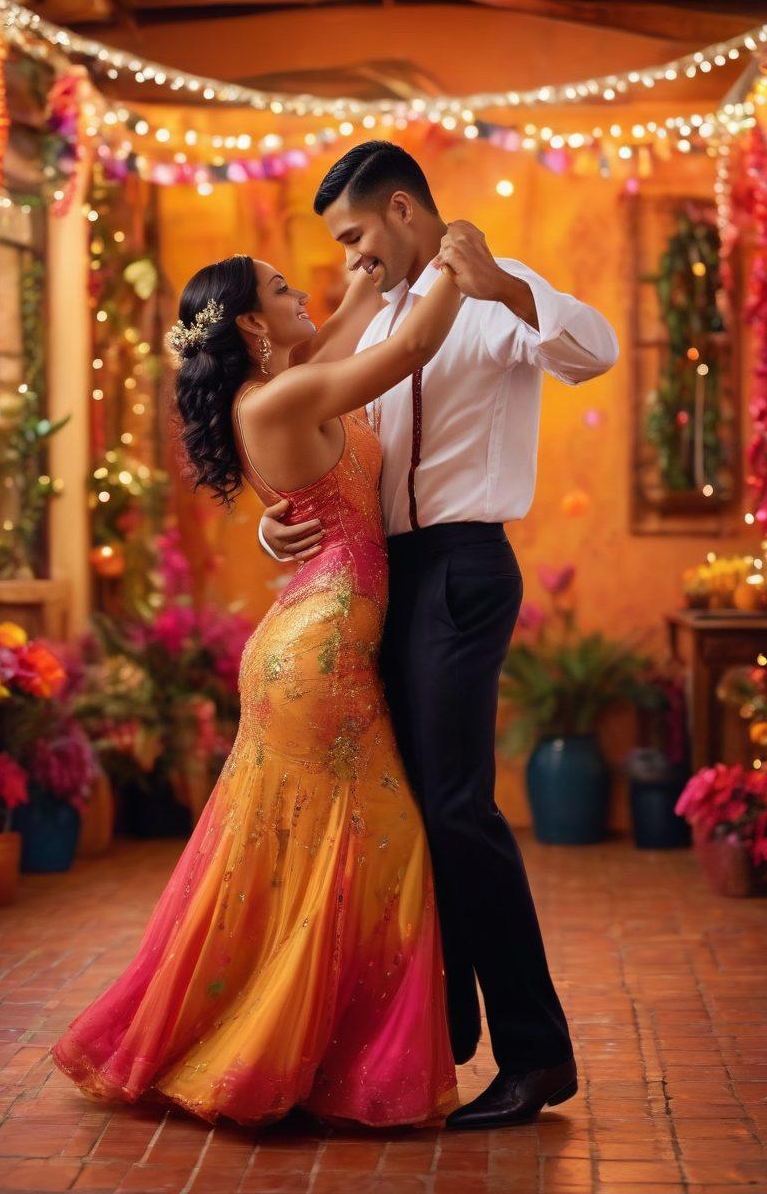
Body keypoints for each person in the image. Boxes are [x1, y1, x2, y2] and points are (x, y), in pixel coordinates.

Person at [51, 250, 466, 1127]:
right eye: (281, 290)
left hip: (316, 638)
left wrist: (363, 280)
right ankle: (298, 1056)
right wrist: (456, 262)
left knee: (303, 852)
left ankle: (293, 1048)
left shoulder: (284, 386)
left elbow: (347, 330)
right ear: (248, 325)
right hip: (320, 654)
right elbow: (406, 350)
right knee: (380, 846)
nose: (299, 293)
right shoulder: (279, 397)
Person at [259, 141, 619, 1130]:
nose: (349, 255)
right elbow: (306, 436)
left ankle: (536, 1055)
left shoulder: (495, 294)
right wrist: (271, 525)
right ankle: (441, 1029)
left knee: (456, 805)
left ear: (405, 209)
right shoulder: (374, 321)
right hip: (384, 576)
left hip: (461, 567)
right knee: (408, 807)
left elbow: (596, 351)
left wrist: (499, 279)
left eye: (355, 233)